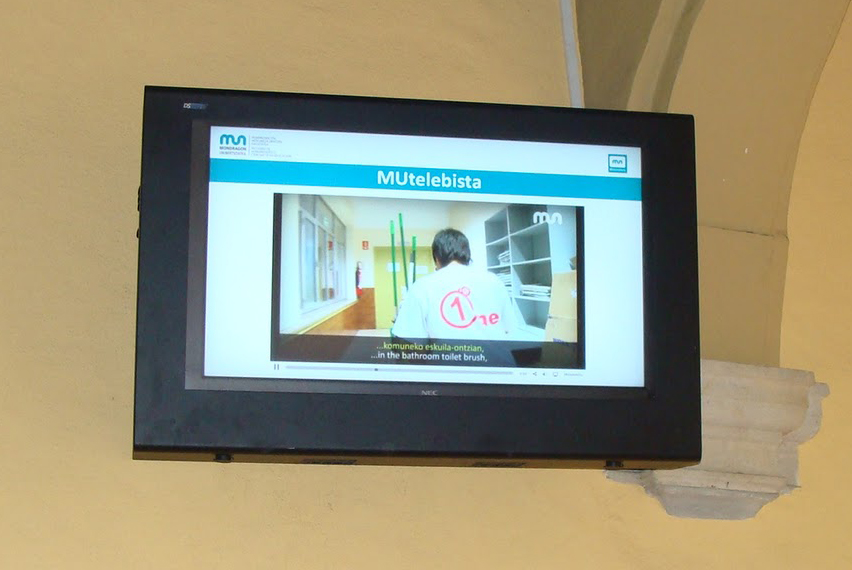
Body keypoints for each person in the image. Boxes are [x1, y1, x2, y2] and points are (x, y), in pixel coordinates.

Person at [391, 228, 517, 341]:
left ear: (437, 257)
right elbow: (509, 329)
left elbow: (412, 344)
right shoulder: (494, 280)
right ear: (467, 253)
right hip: (500, 359)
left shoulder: (422, 286)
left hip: (451, 360)